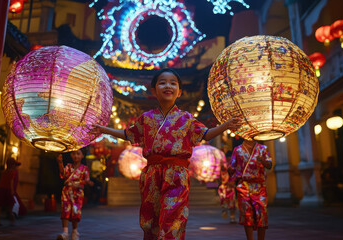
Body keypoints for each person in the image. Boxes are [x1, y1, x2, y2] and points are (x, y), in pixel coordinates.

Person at [91, 68, 241, 240]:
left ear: (179, 92)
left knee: (173, 220)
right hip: (152, 175)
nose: (168, 86)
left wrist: (226, 125)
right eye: (162, 82)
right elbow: (128, 134)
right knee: (151, 221)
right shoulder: (146, 118)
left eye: (173, 83)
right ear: (154, 91)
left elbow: (205, 134)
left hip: (177, 175)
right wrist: (103, 129)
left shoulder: (187, 119)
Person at [228, 139, 272, 240]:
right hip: (243, 186)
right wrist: (229, 170)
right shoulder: (237, 150)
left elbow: (269, 165)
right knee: (246, 214)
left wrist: (263, 161)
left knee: (262, 214)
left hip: (259, 186)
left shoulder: (262, 149)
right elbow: (232, 168)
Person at [56, 149, 93, 240]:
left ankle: (75, 232)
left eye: (78, 154)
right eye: (73, 154)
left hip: (78, 193)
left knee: (75, 212)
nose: (76, 156)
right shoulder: (68, 166)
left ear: (82, 156)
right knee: (65, 210)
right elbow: (63, 174)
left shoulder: (84, 168)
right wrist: (60, 163)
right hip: (67, 191)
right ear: (71, 155)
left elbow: (87, 179)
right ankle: (65, 233)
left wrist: (87, 182)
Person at [0, 157, 21, 226]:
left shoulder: (4, 172)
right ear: (12, 165)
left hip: (0, 188)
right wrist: (12, 191)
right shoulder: (12, 173)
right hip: (8, 189)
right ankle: (12, 219)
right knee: (10, 205)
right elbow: (11, 182)